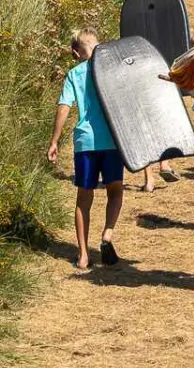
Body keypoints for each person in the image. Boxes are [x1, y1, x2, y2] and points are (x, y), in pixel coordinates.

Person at [46, 29, 125, 269]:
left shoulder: (73, 74)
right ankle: (107, 234)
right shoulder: (111, 70)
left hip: (85, 143)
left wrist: (54, 141)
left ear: (76, 52)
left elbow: (64, 107)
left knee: (84, 199)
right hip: (112, 141)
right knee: (115, 192)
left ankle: (82, 255)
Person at [125, 0, 180, 192]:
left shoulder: (130, 8)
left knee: (146, 121)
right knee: (159, 117)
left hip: (145, 67)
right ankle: (162, 164)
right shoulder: (162, 5)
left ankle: (152, 176)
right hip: (154, 67)